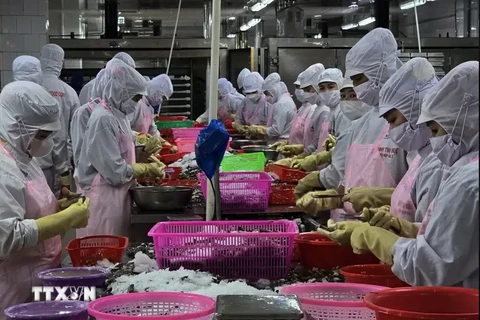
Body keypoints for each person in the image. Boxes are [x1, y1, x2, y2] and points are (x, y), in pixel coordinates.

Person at [349, 61, 479, 288]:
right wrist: (406, 229)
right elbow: (455, 239)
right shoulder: (466, 170)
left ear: (461, 123)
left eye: (435, 130)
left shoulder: (467, 182)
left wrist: (381, 240)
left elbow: (430, 267)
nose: (433, 139)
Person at [295, 28, 408, 220]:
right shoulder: (362, 123)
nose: (356, 88)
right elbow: (349, 173)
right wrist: (334, 196)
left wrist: (380, 201)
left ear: (380, 72)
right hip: (351, 224)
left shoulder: (407, 121)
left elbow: (416, 187)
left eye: (358, 79)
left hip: (387, 228)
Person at [0, 81, 90, 313]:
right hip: (14, 286)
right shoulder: (2, 166)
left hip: (42, 275)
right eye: (41, 135)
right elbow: (6, 237)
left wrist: (57, 209)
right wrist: (67, 219)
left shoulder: (22, 155)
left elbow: (28, 208)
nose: (47, 142)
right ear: (15, 125)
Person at [75, 58, 164, 238]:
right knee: (104, 253)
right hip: (103, 199)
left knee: (116, 251)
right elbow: (113, 170)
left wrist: (141, 142)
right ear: (120, 92)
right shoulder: (103, 119)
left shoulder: (119, 115)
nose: (138, 103)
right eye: (136, 97)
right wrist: (145, 169)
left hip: (117, 195)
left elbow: (122, 147)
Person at [344, 58, 441, 220]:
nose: (390, 129)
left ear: (414, 112)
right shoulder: (421, 157)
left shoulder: (438, 165)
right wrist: (389, 213)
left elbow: (432, 236)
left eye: (392, 120)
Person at [39, 44, 80, 194]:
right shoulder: (68, 92)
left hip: (32, 161)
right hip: (61, 162)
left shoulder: (30, 86)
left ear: (41, 59)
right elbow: (76, 131)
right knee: (60, 203)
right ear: (60, 62)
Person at [247, 73, 296, 144]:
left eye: (267, 94)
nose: (266, 97)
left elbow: (276, 130)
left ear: (274, 90)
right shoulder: (287, 100)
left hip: (279, 142)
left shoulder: (281, 104)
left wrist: (259, 129)